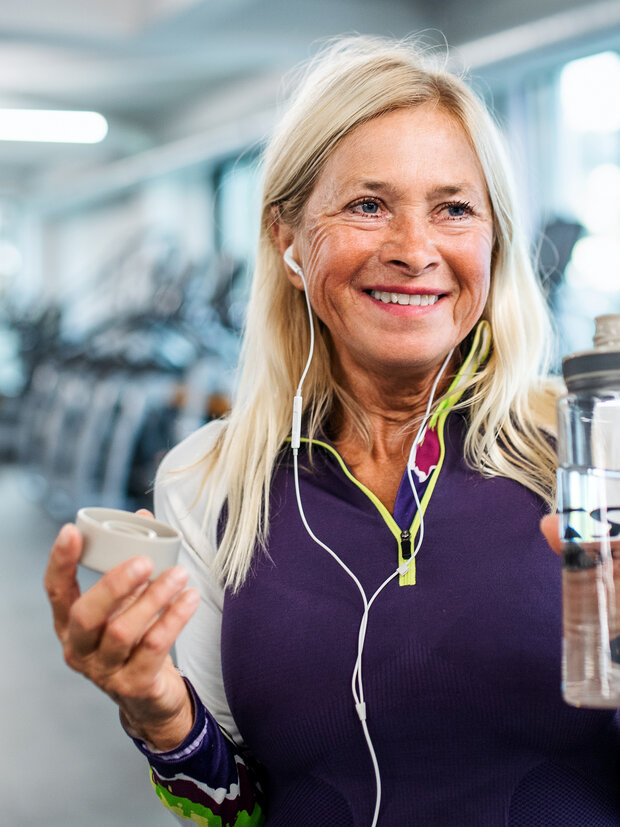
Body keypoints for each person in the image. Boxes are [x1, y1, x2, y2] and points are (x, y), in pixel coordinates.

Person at [45, 35, 620, 826]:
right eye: (367, 205)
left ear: (493, 240)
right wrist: (159, 712)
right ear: (288, 239)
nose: (415, 251)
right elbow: (237, 808)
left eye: (453, 208)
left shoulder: (589, 450)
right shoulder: (210, 482)